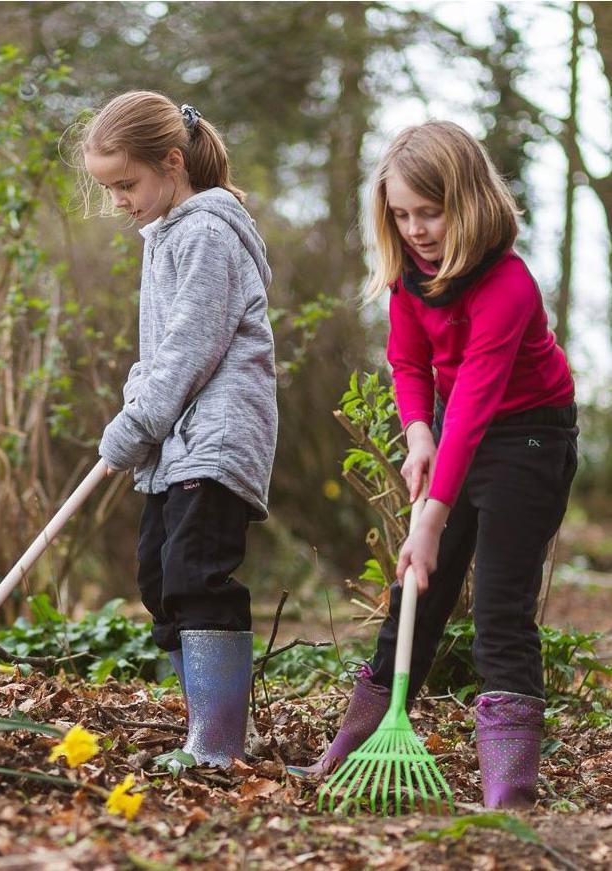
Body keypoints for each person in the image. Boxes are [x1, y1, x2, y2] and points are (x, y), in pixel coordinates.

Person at [290, 121, 577, 809]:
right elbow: (407, 361)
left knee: (501, 610)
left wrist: (430, 518)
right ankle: (348, 748)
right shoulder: (408, 277)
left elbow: (478, 398)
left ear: (468, 201)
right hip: (453, 425)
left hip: (529, 438)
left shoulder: (506, 285)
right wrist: (417, 432)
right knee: (417, 595)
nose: (415, 229)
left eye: (430, 212)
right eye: (400, 214)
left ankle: (507, 791)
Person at [79, 91, 278, 767]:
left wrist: (135, 424)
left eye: (125, 184)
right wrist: (135, 412)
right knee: (158, 576)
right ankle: (204, 724)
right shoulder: (165, 233)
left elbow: (191, 350)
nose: (117, 202)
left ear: (171, 162)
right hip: (177, 440)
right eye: (107, 189)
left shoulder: (204, 233)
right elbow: (157, 354)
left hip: (216, 436)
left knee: (195, 572)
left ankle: (217, 745)